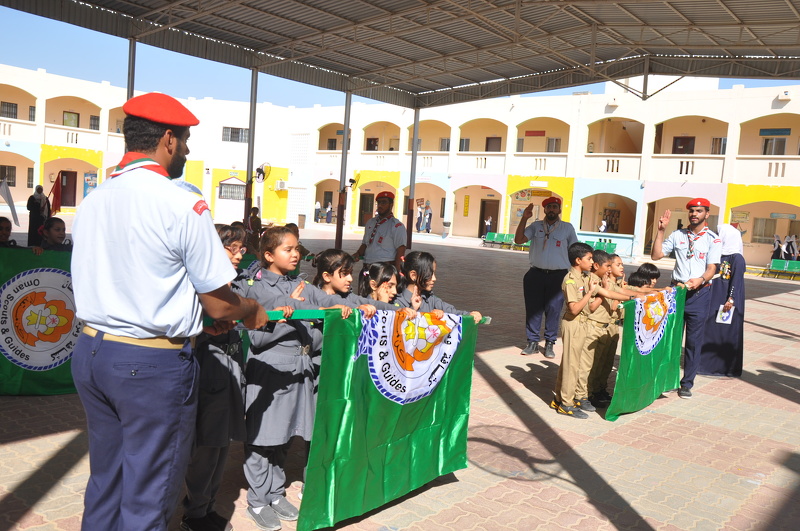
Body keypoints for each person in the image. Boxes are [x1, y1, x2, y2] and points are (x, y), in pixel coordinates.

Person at [69, 92, 269, 531]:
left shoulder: (96, 199)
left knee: (107, 481)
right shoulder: (181, 202)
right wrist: (250, 308)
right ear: (168, 141)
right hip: (151, 366)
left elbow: (138, 280)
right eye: (187, 139)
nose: (189, 149)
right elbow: (218, 299)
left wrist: (197, 320)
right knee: (149, 494)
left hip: (92, 353)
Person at [235, 226, 377, 531]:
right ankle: (258, 500)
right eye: (288, 249)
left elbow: (327, 301)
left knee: (286, 436)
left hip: (299, 370)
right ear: (269, 255)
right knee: (263, 439)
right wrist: (303, 310)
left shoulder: (297, 283)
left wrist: (361, 306)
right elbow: (263, 335)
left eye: (297, 248)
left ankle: (275, 492)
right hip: (271, 371)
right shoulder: (257, 286)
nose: (296, 253)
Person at [181, 224, 264, 531]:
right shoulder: (198, 286)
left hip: (230, 377)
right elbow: (186, 330)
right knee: (204, 450)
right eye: (232, 248)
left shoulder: (236, 284)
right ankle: (194, 514)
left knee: (221, 448)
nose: (239, 255)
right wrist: (207, 326)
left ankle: (207, 507)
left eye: (243, 249)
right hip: (208, 377)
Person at [650, 197, 721, 400]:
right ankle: (665, 380)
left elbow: (712, 268)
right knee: (670, 339)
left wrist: (700, 280)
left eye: (699, 211)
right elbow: (656, 256)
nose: (694, 214)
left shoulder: (713, 239)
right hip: (678, 292)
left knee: (693, 342)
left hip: (700, 294)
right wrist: (661, 230)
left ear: (707, 214)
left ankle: (687, 383)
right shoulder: (678, 235)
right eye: (691, 211)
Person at [514, 196, 578, 358]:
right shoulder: (535, 227)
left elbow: (574, 251)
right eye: (549, 207)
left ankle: (550, 343)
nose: (552, 210)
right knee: (533, 309)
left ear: (559, 210)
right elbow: (519, 240)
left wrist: (576, 275)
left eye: (555, 207)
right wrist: (524, 218)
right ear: (544, 210)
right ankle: (532, 342)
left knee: (554, 310)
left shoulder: (567, 228)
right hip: (535, 274)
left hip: (558, 276)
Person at [698, 224, 745, 377]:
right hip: (712, 297)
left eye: (720, 234)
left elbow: (736, 281)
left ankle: (726, 368)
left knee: (725, 333)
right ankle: (706, 365)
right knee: (710, 330)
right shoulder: (717, 254)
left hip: (727, 301)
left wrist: (730, 299)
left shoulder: (737, 258)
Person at [394, 250, 482, 324]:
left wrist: (470, 315)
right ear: (413, 275)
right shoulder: (397, 302)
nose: (434, 278)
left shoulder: (430, 299)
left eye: (434, 274)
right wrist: (430, 317)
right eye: (429, 274)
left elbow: (453, 313)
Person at [352, 191, 406, 284]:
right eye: (378, 203)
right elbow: (365, 244)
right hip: (367, 268)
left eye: (384, 202)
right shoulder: (370, 222)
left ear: (391, 205)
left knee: (381, 297)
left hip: (384, 270)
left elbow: (401, 249)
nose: (380, 205)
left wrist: (397, 273)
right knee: (365, 297)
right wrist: (357, 254)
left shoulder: (397, 226)